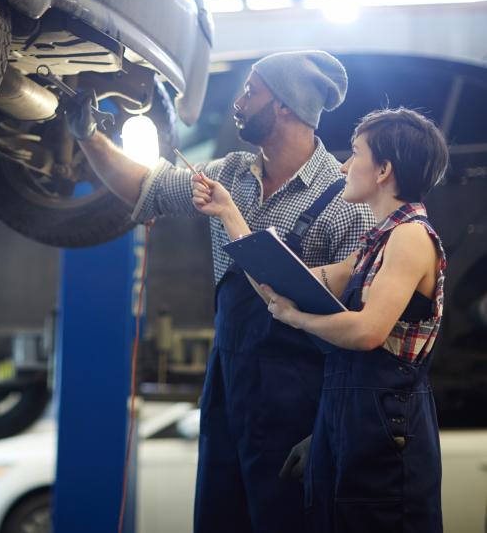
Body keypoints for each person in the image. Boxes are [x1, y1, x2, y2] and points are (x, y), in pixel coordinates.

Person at [68, 50, 375, 532]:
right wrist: (88, 136)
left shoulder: (344, 201)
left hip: (301, 413)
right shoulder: (231, 172)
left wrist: (328, 429)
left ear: (286, 108)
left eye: (251, 91)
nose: (239, 101)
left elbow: (364, 335)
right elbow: (147, 188)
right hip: (229, 395)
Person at [193, 107, 449, 532]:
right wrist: (230, 214)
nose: (345, 166)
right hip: (355, 418)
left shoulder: (410, 237)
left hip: (389, 425)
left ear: (384, 169)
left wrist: (298, 319)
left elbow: (368, 331)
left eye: (355, 153)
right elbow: (283, 280)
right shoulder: (377, 241)